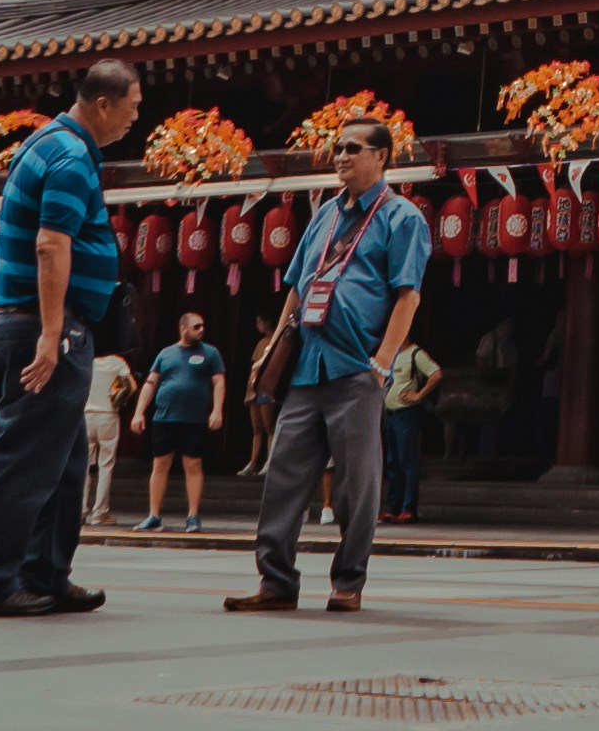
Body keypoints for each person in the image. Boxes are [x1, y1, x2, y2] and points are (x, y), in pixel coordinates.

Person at [0, 55, 141, 620]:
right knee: (23, 459)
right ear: (103, 105)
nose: (136, 118)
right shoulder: (68, 156)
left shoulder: (50, 144)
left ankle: (46, 575)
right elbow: (50, 244)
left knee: (63, 461)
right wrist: (52, 332)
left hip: (31, 322)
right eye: (132, 107)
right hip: (42, 326)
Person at [228, 114, 427, 616]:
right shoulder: (324, 215)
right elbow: (297, 287)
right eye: (338, 148)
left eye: (353, 148)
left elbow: (407, 297)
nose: (341, 156)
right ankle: (276, 581)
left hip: (356, 368)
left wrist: (382, 364)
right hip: (306, 367)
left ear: (381, 156)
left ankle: (348, 581)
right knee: (283, 478)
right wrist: (274, 347)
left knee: (357, 484)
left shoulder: (402, 217)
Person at [135, 311, 227, 532]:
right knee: (160, 464)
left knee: (193, 465)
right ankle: (154, 515)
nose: (201, 330)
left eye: (202, 326)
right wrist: (139, 412)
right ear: (183, 328)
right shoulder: (166, 354)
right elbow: (150, 383)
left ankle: (193, 516)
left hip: (194, 419)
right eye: (196, 326)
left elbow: (219, 382)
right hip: (164, 417)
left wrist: (217, 410)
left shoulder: (210, 353)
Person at [381, 331, 440, 524]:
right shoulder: (392, 355)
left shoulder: (415, 354)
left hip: (406, 413)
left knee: (407, 461)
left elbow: (436, 373)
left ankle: (408, 508)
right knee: (393, 462)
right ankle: (394, 507)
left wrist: (419, 394)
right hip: (390, 414)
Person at [83, 344, 134, 523]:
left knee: (84, 465)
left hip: (86, 414)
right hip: (108, 414)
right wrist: (119, 399)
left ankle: (80, 509)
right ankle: (100, 511)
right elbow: (132, 386)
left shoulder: (87, 360)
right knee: (106, 464)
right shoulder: (117, 362)